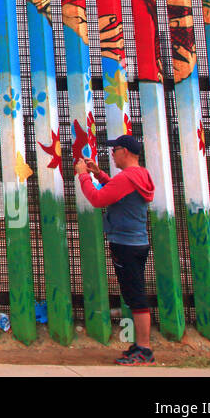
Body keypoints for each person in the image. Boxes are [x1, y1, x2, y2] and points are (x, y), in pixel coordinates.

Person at [74, 133, 156, 365]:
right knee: (134, 293)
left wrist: (83, 177)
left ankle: (145, 350)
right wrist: (98, 174)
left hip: (126, 245)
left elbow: (98, 199)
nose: (112, 152)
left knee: (135, 296)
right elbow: (117, 190)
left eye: (115, 148)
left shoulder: (127, 178)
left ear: (126, 152)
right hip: (137, 241)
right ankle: (140, 346)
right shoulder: (140, 175)